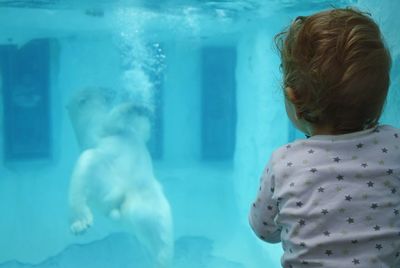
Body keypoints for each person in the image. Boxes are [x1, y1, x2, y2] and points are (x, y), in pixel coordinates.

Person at [249, 7, 399, 268]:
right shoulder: (395, 145)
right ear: (381, 95)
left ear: (293, 98)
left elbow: (263, 229)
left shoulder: (284, 162)